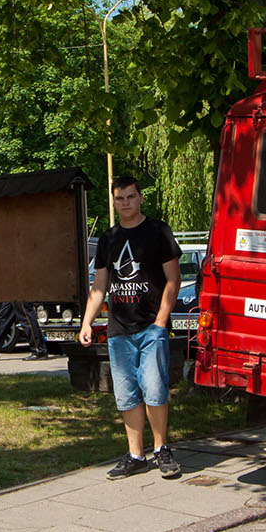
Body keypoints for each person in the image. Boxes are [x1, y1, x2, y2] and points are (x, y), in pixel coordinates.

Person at [79, 174, 183, 479]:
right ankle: (136, 455)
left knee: (154, 390)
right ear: (114, 202)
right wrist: (87, 323)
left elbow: (174, 279)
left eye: (130, 197)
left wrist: (161, 321)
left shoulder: (158, 231)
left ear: (140, 198)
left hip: (151, 327)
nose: (125, 203)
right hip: (119, 331)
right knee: (126, 395)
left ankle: (161, 449)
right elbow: (99, 286)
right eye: (119, 198)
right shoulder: (108, 239)